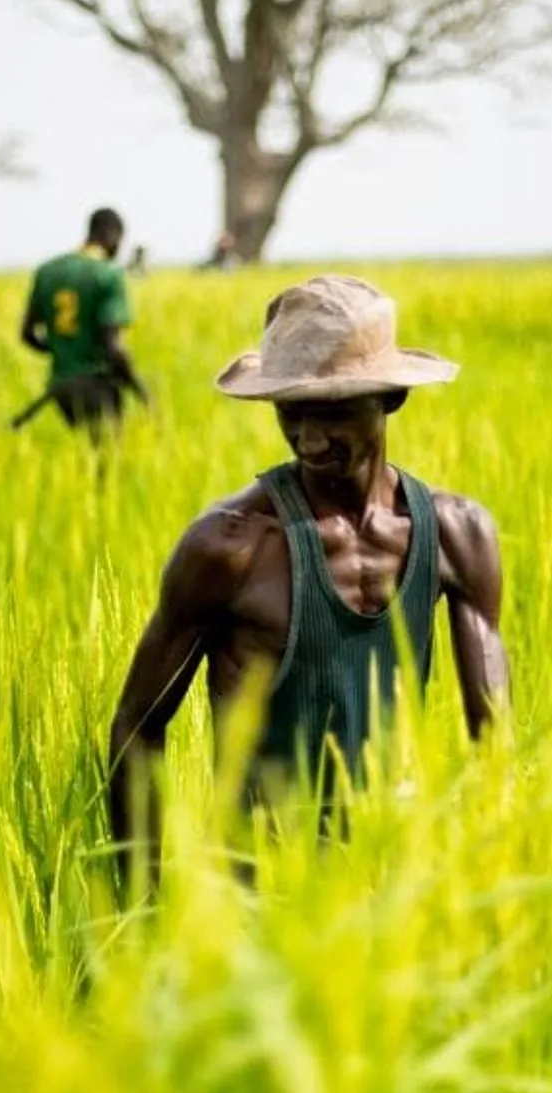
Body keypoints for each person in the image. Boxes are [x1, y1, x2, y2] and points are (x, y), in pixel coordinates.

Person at [106, 275, 510, 868]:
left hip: (391, 872)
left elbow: (493, 739)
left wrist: (492, 881)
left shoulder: (457, 533)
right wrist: (139, 911)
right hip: (257, 893)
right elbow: (137, 728)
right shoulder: (230, 548)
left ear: (391, 399)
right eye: (290, 414)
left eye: (333, 413)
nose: (310, 439)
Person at [17, 207, 149, 440]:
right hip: (96, 386)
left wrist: (64, 349)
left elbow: (27, 334)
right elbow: (113, 349)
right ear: (113, 235)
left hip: (59, 388)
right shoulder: (107, 274)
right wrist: (141, 391)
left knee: (83, 457)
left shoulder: (47, 271)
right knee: (107, 465)